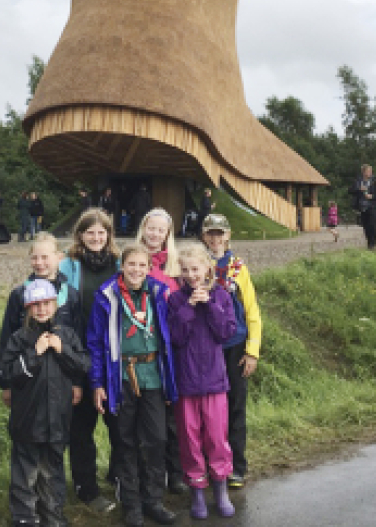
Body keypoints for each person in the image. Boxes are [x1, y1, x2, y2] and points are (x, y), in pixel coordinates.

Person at [88, 244, 178, 527]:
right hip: (121, 377)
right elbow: (95, 344)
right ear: (122, 266)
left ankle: (153, 500)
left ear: (149, 267)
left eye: (142, 265)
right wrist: (97, 383)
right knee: (125, 442)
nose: (137, 270)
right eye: (131, 264)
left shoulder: (159, 294)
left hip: (153, 374)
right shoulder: (106, 297)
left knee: (156, 440)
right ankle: (132, 505)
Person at [0, 278, 90, 527]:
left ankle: (53, 516)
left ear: (55, 305)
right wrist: (34, 354)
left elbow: (84, 366)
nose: (41, 309)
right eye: (36, 305)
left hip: (58, 420)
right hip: (28, 420)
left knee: (53, 472)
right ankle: (25, 518)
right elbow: (7, 374)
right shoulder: (19, 339)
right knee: (25, 475)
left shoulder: (67, 335)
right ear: (28, 308)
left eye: (46, 304)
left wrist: (63, 350)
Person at [57, 209, 122, 514]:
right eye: (90, 233)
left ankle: (119, 476)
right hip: (79, 357)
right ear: (80, 236)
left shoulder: (121, 265)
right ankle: (88, 488)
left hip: (114, 358)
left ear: (109, 236)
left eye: (102, 233)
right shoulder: (69, 267)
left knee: (119, 423)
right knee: (81, 428)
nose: (96, 238)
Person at [168, 242, 239, 518]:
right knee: (190, 441)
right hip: (186, 383)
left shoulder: (220, 296)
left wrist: (209, 305)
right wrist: (188, 307)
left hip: (214, 381)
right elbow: (174, 337)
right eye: (185, 270)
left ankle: (220, 491)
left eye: (195, 269)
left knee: (217, 439)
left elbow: (227, 332)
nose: (191, 275)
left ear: (207, 268)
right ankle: (197, 492)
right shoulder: (175, 300)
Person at [200, 214, 261, 489]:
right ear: (204, 236)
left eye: (220, 233)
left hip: (235, 346)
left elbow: (252, 312)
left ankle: (237, 466)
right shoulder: (196, 265)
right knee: (208, 410)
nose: (215, 238)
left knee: (235, 406)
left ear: (228, 235)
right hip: (206, 347)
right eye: (210, 233)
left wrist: (252, 351)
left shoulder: (238, 268)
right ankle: (209, 464)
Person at [0, 233, 82, 406]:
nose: (39, 262)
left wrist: (77, 381)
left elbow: (79, 340)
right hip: (27, 380)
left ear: (59, 257)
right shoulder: (19, 295)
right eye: (34, 258)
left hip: (62, 379)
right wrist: (6, 384)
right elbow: (7, 338)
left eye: (45, 257)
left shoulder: (71, 295)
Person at [137, 207, 186, 492]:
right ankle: (147, 475)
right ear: (143, 228)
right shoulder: (133, 259)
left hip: (171, 346)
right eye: (150, 228)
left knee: (172, 413)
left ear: (167, 234)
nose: (154, 234)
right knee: (147, 419)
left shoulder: (175, 265)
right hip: (143, 345)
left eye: (160, 230)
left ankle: (175, 471)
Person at [348, 165, 376, 251]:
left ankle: (373, 245)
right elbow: (350, 191)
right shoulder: (358, 182)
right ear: (363, 172)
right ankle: (369, 244)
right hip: (362, 207)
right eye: (368, 171)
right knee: (366, 227)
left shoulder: (375, 182)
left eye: (371, 171)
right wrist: (358, 189)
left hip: (373, 207)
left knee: (372, 225)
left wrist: (372, 196)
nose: (370, 173)